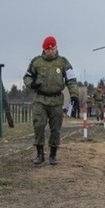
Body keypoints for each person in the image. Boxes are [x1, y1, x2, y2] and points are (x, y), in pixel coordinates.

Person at [23, 36, 79, 165]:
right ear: (43, 50)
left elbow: (71, 80)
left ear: (56, 48)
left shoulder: (63, 62)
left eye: (53, 49)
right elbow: (27, 77)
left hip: (56, 100)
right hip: (40, 99)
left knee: (55, 128)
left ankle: (53, 154)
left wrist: (74, 95)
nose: (50, 52)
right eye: (48, 50)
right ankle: (39, 153)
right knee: (39, 125)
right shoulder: (36, 62)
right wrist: (31, 84)